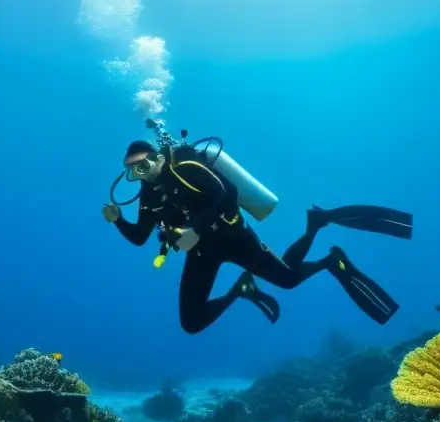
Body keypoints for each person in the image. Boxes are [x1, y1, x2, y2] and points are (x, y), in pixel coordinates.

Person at [102, 139, 412, 335]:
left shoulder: (188, 168)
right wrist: (119, 221)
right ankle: (241, 290)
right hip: (201, 253)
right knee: (191, 323)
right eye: (133, 172)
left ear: (157, 158)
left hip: (236, 238)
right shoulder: (147, 196)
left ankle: (322, 239)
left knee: (288, 280)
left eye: (143, 166)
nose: (141, 174)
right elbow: (140, 237)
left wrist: (194, 228)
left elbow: (229, 194)